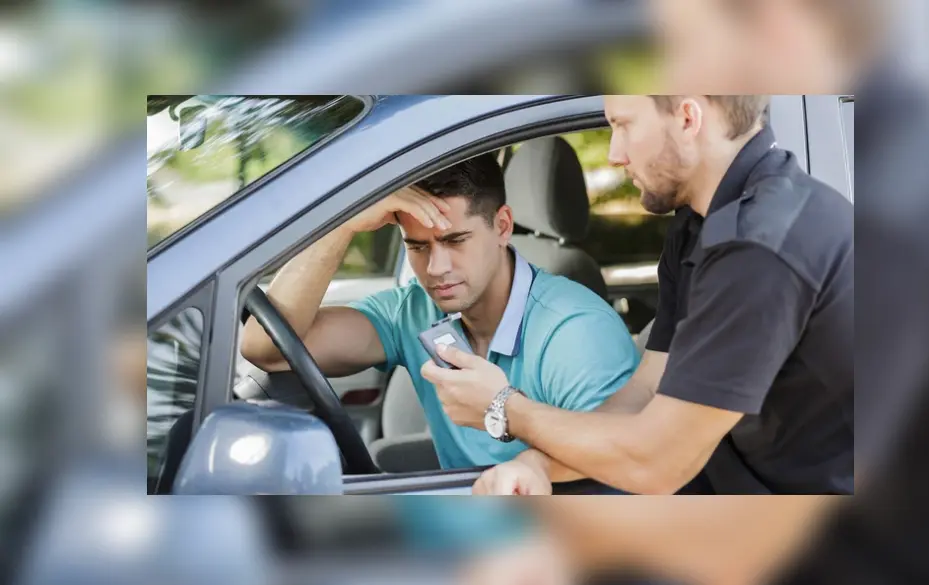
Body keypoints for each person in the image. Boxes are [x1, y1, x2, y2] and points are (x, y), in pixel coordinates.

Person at [424, 95, 853, 494]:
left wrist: (504, 407)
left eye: (624, 125)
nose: (614, 154)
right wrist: (538, 465)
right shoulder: (698, 227)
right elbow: (643, 392)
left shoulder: (760, 247)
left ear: (688, 117)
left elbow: (658, 461)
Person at [241, 154, 638, 469]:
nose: (435, 269)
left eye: (455, 240)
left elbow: (621, 467)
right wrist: (341, 225)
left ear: (502, 227)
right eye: (417, 246)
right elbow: (267, 349)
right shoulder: (412, 310)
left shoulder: (575, 330)